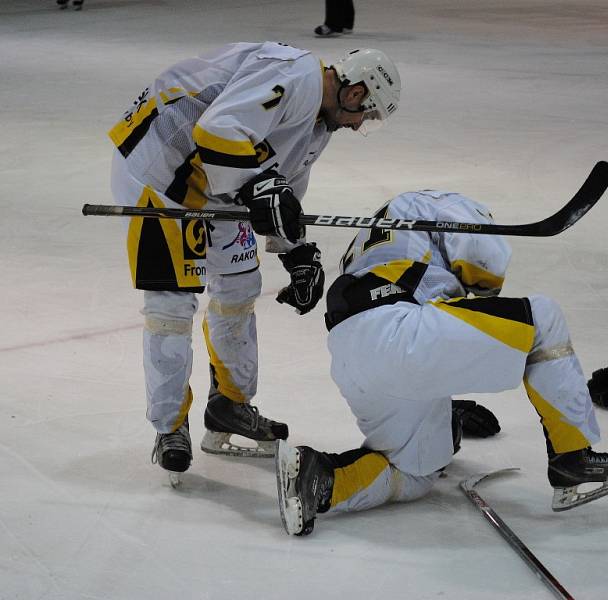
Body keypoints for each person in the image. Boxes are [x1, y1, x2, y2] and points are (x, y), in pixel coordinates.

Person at [275, 189, 608, 535]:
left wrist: (446, 408)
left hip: (351, 352)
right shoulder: (448, 205)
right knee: (541, 319)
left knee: (414, 472)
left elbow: (437, 336)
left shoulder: (376, 234)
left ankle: (319, 478)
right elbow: (485, 271)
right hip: (399, 329)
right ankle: (573, 457)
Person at [108, 43, 401, 485]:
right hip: (161, 171)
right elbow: (217, 129)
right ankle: (170, 427)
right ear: (356, 93)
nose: (360, 125)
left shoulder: (319, 125)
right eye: (367, 114)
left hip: (217, 183)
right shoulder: (297, 77)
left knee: (240, 289)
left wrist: (296, 250)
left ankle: (229, 406)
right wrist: (258, 189)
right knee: (171, 307)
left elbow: (283, 185)